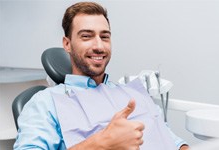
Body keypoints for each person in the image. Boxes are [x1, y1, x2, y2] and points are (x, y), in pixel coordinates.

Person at [14, 2, 189, 150]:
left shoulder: (134, 94)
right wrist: (102, 143)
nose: (99, 46)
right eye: (86, 36)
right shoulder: (46, 102)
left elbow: (172, 140)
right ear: (67, 44)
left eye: (104, 37)